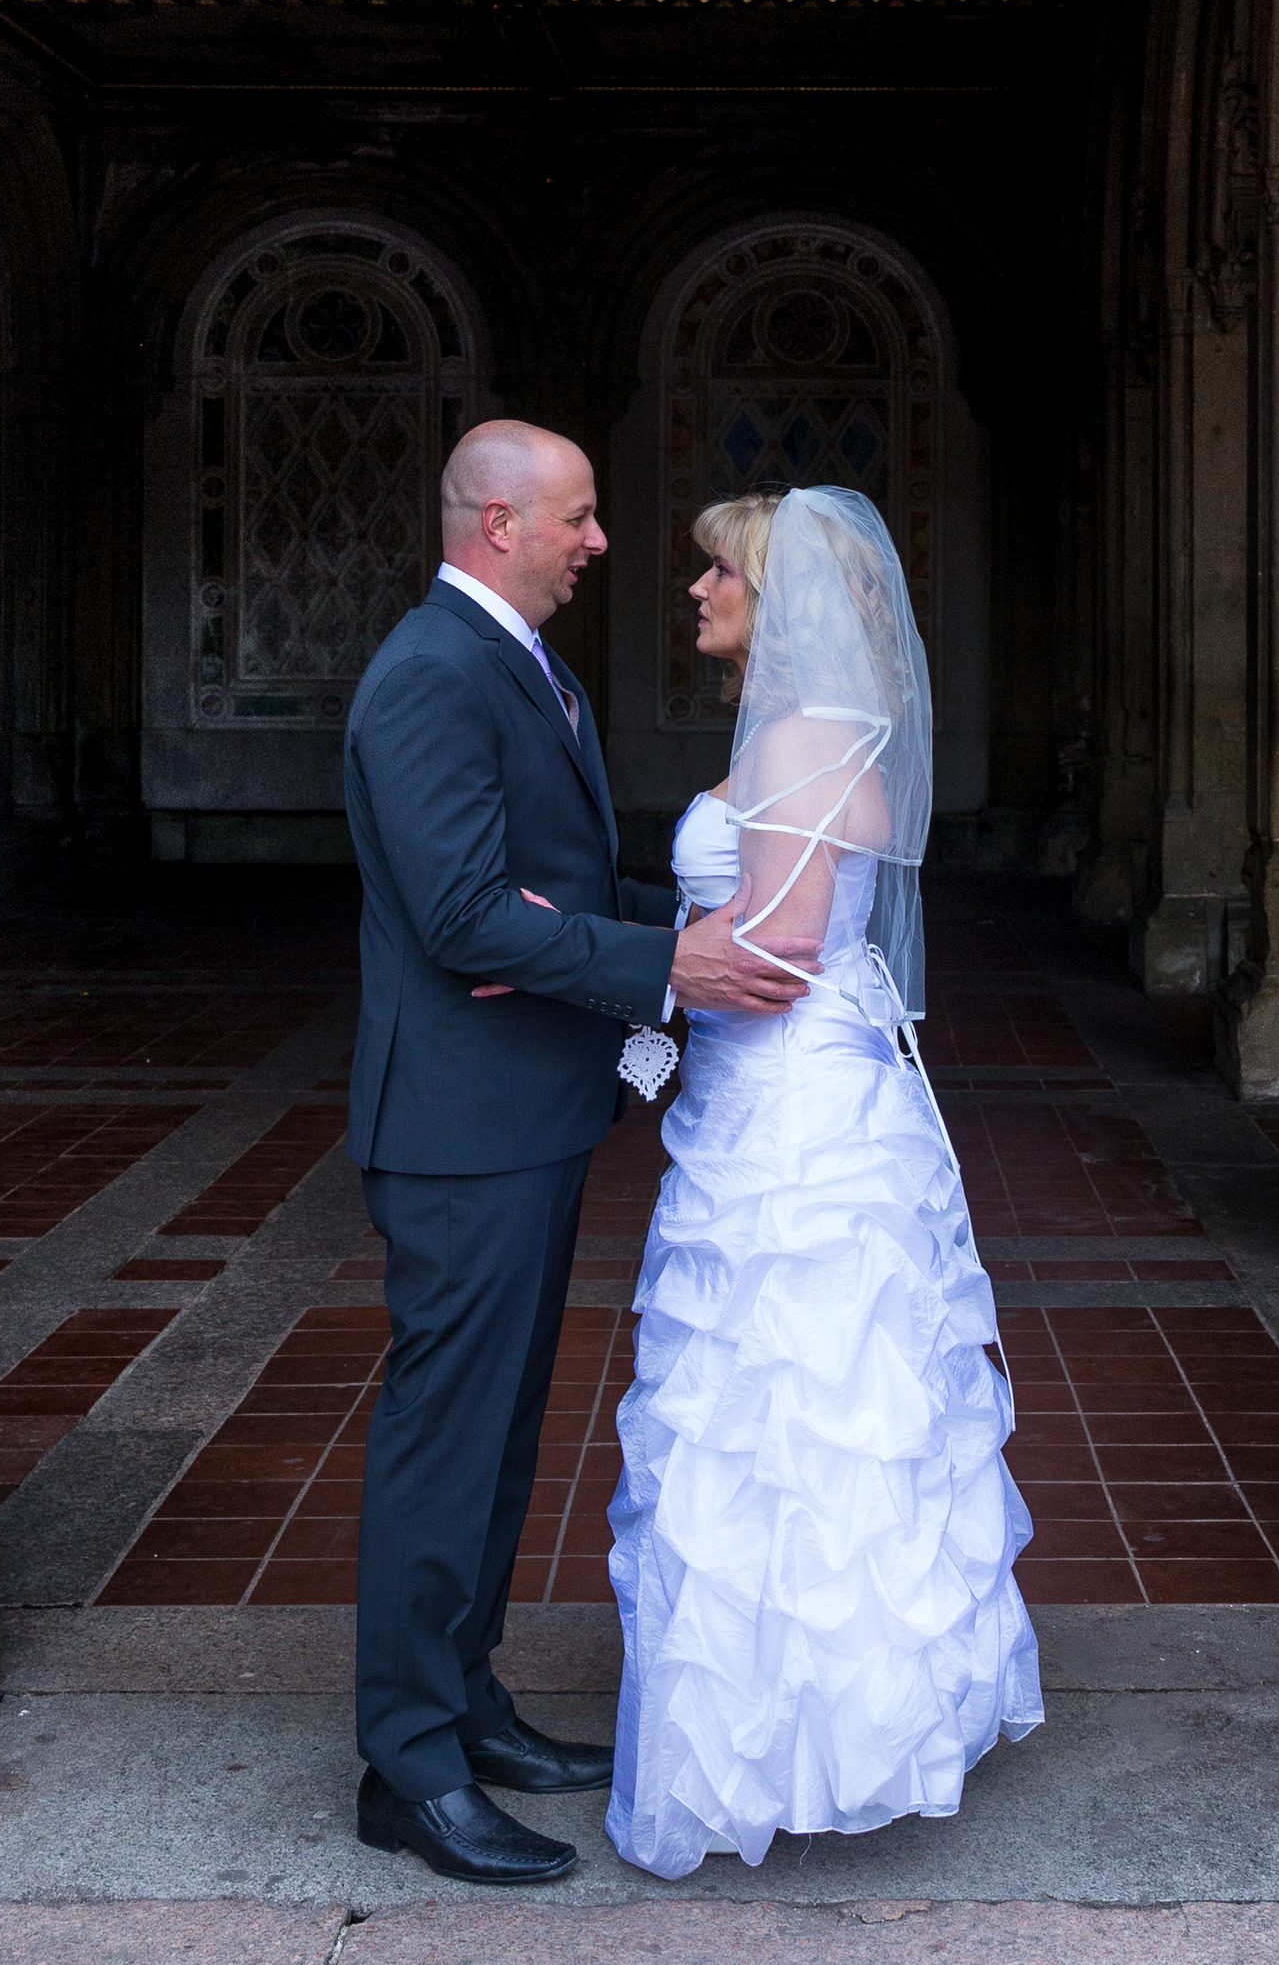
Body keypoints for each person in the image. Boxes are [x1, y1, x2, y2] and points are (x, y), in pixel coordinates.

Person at [343, 418, 817, 1890]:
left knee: (496, 1436)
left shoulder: (515, 662)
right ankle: (406, 1762)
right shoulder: (431, 670)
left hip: (524, 1112)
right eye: (582, 516)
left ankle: (466, 1699)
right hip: (459, 1128)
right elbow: (467, 915)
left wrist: (634, 935)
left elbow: (540, 889)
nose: (601, 541)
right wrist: (666, 960)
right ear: (499, 524)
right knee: (445, 1436)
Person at [605, 482, 1043, 1879]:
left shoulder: (799, 735)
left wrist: (636, 990)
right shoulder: (805, 729)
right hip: (780, 1096)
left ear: (775, 593)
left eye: (716, 571)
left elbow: (781, 946)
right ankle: (820, 1718)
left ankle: (794, 1733)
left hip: (787, 1120)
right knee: (802, 1410)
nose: (696, 592)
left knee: (786, 1401)